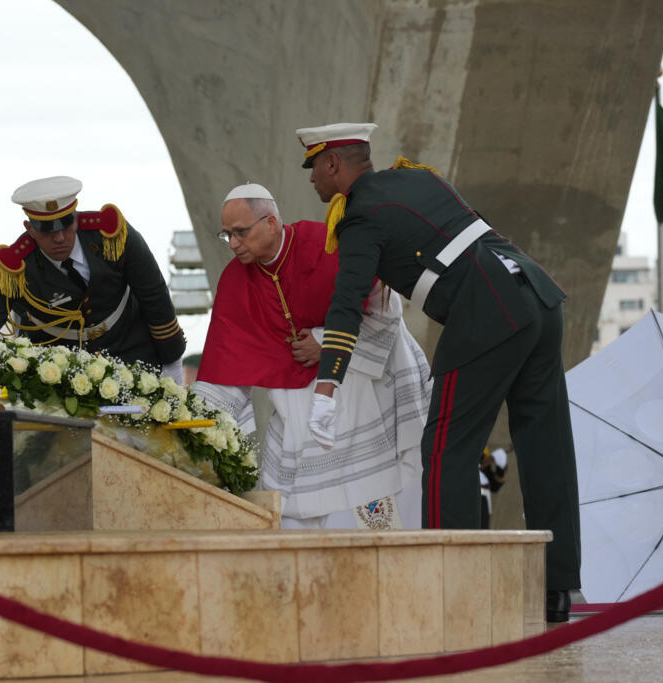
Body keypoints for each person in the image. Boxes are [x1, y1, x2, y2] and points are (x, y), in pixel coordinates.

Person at [295, 122, 581, 621]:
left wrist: (327, 386)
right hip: (535, 293)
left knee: (446, 447)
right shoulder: (420, 178)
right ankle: (555, 589)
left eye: (314, 167)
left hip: (486, 310)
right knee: (544, 442)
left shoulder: (360, 215)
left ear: (334, 164)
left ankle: (457, 592)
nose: (312, 179)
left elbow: (346, 305)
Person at [192, 182, 432, 529]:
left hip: (358, 389)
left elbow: (384, 309)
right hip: (295, 407)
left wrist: (326, 344)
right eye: (226, 234)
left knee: (371, 512)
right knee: (295, 516)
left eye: (241, 233)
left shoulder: (327, 245)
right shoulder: (234, 282)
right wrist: (191, 422)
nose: (233, 244)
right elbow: (226, 366)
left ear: (271, 223)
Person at [0, 176, 186, 379]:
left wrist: (171, 358)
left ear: (76, 218)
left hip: (131, 354)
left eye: (66, 225)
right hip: (57, 374)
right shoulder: (14, 266)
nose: (59, 238)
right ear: (30, 228)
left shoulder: (111, 235)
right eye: (47, 229)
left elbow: (153, 294)